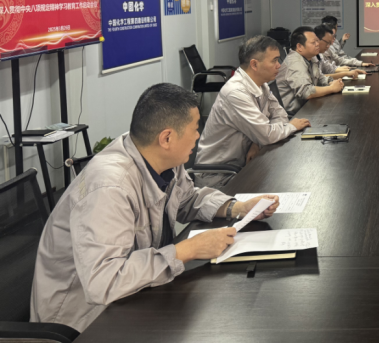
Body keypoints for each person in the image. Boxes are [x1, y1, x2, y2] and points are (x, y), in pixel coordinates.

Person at [30, 84, 280, 333]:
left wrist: (237, 207)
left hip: (132, 297)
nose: (198, 136)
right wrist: (188, 250)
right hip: (83, 321)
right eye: (195, 128)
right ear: (167, 138)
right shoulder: (109, 187)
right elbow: (104, 282)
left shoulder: (160, 156)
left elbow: (187, 200)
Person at [196, 36, 311, 174]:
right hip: (221, 174)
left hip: (245, 164)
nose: (279, 65)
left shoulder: (261, 84)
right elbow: (267, 134)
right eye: (274, 60)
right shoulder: (235, 93)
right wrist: (292, 126)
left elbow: (280, 116)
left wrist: (256, 142)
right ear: (255, 64)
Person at [276, 26, 345, 115]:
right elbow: (306, 92)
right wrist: (331, 88)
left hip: (307, 107)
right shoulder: (294, 62)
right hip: (294, 115)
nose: (317, 44)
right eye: (313, 42)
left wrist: (332, 82)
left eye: (317, 41)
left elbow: (320, 78)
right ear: (299, 46)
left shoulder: (311, 57)